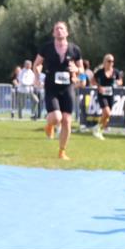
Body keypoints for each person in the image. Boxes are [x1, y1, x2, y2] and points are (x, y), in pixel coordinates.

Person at [33, 21, 83, 160]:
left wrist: (78, 71)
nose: (59, 31)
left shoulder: (75, 49)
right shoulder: (47, 48)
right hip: (51, 87)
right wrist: (37, 77)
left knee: (67, 120)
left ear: (67, 33)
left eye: (62, 28)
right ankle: (49, 124)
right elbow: (37, 64)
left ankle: (62, 151)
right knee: (56, 118)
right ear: (53, 33)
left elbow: (82, 70)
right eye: (57, 29)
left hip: (67, 87)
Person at [91, 54, 123, 140]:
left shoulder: (116, 72)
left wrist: (117, 83)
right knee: (107, 112)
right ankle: (97, 128)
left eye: (112, 61)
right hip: (102, 94)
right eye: (109, 61)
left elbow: (120, 81)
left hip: (111, 95)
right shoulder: (100, 72)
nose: (111, 63)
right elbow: (92, 81)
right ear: (104, 62)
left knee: (106, 116)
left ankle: (99, 131)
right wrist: (99, 86)